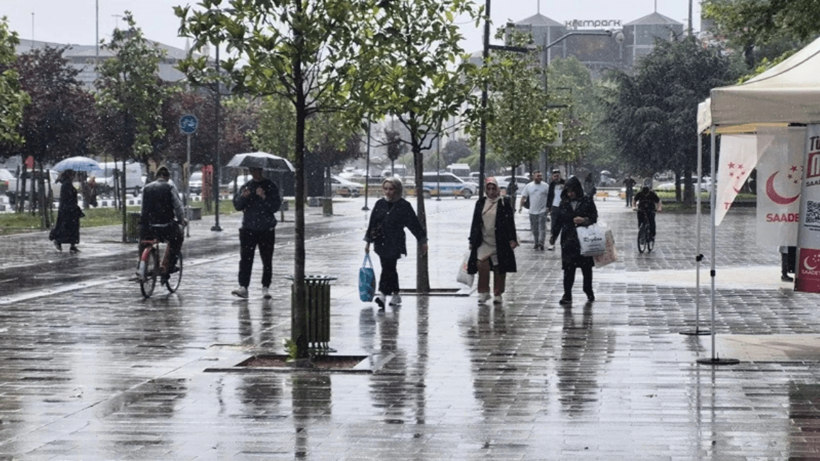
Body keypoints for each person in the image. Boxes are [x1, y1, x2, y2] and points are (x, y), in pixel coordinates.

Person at [364, 177, 428, 310]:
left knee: (388, 266)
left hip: (395, 241)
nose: (388, 192)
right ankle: (396, 293)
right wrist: (368, 242)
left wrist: (422, 240)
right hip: (381, 241)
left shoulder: (404, 206)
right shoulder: (379, 204)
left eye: (391, 189)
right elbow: (372, 223)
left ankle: (382, 294)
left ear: (397, 190)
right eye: (385, 188)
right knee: (389, 267)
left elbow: (414, 224)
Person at [231, 167, 282, 299]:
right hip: (248, 228)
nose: (255, 173)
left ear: (261, 171)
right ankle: (243, 286)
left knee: (267, 258)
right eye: (252, 171)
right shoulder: (246, 187)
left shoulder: (270, 186)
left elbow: (275, 206)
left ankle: (266, 286)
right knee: (246, 258)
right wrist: (244, 197)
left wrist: (264, 196)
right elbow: (237, 205)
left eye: (257, 171)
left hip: (266, 229)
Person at [469, 177, 519, 304]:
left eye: (493, 189)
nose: (491, 192)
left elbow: (510, 222)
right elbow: (475, 222)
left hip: (499, 240)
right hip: (484, 240)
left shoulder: (504, 203)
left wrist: (512, 238)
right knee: (481, 264)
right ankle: (483, 292)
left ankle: (498, 293)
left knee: (499, 267)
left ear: (497, 189)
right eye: (489, 189)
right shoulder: (480, 203)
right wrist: (472, 239)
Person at [549, 176, 598, 305]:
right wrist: (554, 235)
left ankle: (588, 290)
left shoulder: (587, 201)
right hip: (568, 240)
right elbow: (558, 221)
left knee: (586, 268)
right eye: (568, 191)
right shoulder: (564, 203)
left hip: (584, 240)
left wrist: (584, 220)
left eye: (572, 191)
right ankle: (567, 294)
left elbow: (594, 217)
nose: (570, 194)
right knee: (568, 268)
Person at [139, 166, 187, 282]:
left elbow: (143, 208)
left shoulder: (146, 188)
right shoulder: (169, 187)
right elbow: (178, 206)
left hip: (149, 227)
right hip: (166, 226)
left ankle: (140, 265)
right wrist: (182, 219)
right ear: (167, 177)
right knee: (178, 238)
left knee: (144, 242)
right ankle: (170, 265)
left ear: (156, 177)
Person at [49, 169, 83, 253]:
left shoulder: (67, 184)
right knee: (66, 227)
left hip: (69, 209)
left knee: (70, 227)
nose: (74, 177)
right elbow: (67, 198)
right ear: (70, 175)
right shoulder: (66, 185)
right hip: (68, 210)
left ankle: (72, 245)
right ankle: (59, 240)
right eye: (73, 175)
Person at [518, 170, 549, 250]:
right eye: (538, 176)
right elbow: (523, 197)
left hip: (542, 210)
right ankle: (536, 242)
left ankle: (541, 243)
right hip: (532, 211)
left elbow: (550, 197)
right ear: (533, 177)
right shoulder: (529, 186)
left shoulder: (545, 186)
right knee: (534, 228)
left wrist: (549, 208)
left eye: (540, 176)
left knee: (542, 227)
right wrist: (520, 207)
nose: (540, 178)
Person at [546, 169, 566, 251]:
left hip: (564, 207)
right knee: (554, 225)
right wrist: (548, 207)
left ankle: (564, 243)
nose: (556, 178)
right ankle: (552, 242)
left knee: (564, 225)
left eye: (557, 176)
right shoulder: (551, 185)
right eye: (554, 176)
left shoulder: (565, 183)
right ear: (552, 177)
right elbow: (549, 196)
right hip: (554, 207)